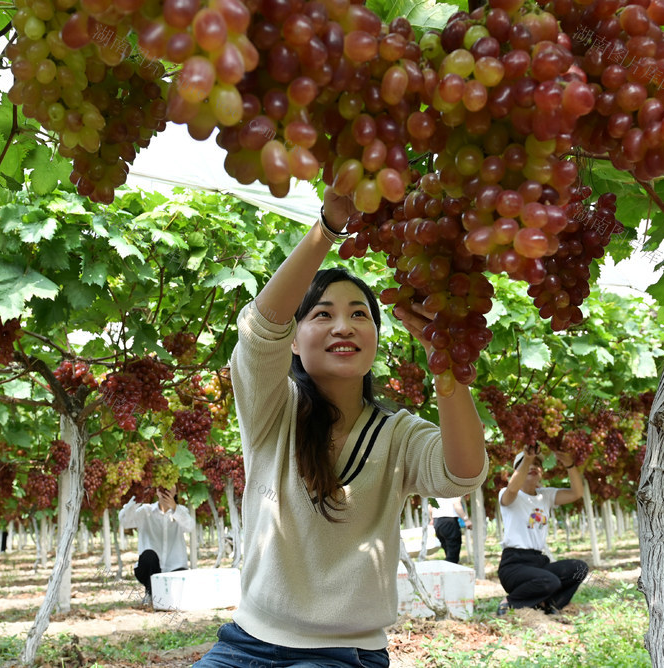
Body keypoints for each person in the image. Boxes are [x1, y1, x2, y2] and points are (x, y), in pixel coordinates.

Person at [194, 190, 488, 668]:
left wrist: (445, 360)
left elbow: (463, 473)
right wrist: (328, 226)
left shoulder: (399, 433)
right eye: (322, 314)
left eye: (359, 315)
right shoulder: (273, 410)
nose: (344, 326)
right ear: (293, 340)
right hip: (246, 644)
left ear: (375, 337)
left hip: (344, 655)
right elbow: (260, 330)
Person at [496, 444, 587, 616]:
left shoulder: (546, 496)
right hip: (514, 565)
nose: (533, 466)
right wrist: (528, 457)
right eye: (526, 464)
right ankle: (510, 601)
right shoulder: (508, 494)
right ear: (517, 471)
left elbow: (577, 493)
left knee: (579, 568)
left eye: (537, 464)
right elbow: (513, 488)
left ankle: (549, 604)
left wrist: (570, 465)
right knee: (549, 581)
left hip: (538, 561)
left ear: (542, 472)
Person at [118, 485, 194, 605]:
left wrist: (174, 507)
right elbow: (125, 521)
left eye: (169, 486)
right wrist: (137, 498)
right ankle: (150, 593)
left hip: (175, 569)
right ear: (156, 491)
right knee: (149, 555)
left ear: (176, 490)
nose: (165, 489)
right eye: (161, 487)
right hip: (148, 569)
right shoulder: (145, 511)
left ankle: (158, 596)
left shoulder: (181, 511)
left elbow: (190, 526)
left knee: (173, 598)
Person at [432, 496, 471, 564]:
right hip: (449, 521)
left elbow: (430, 507)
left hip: (437, 521)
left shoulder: (435, 491)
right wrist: (466, 519)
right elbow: (456, 504)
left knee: (448, 552)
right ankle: (445, 569)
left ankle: (446, 568)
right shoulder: (453, 490)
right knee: (452, 556)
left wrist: (432, 519)